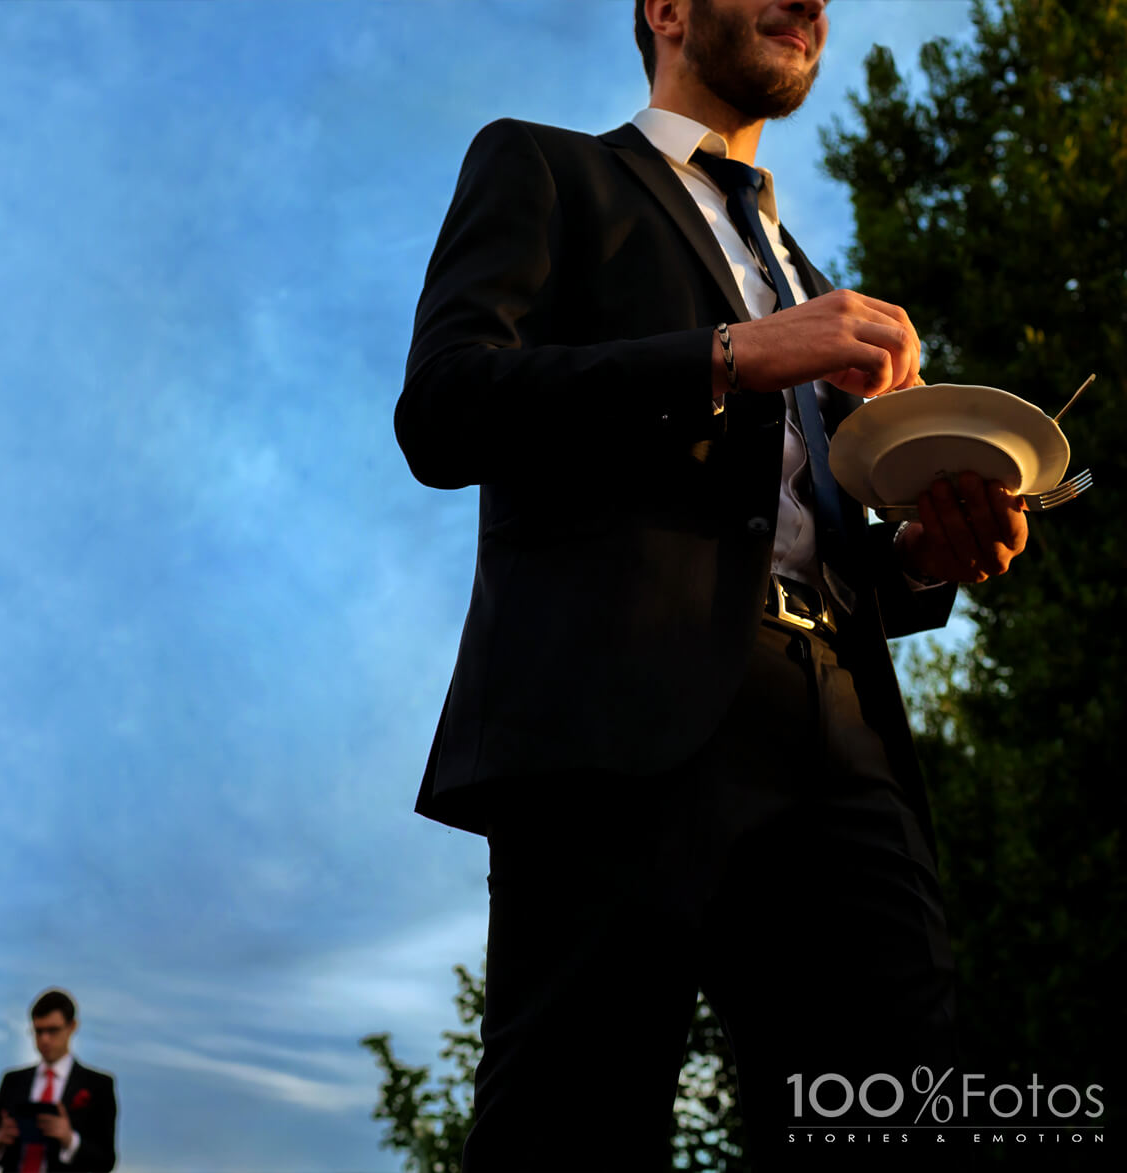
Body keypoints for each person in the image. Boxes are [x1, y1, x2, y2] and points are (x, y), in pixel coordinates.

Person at [395, 1, 1030, 1168]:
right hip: (611, 725)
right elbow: (444, 410)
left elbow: (806, 538)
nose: (809, 5)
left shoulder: (813, 278)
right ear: (665, 10)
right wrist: (731, 356)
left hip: (844, 733)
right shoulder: (543, 165)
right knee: (572, 1126)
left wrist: (922, 553)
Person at [0, 990, 117, 1173]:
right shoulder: (12, 1081)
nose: (44, 1039)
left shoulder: (98, 1086)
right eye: (38, 1031)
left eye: (53, 1030)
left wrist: (69, 1140)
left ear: (72, 1026)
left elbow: (106, 1161)